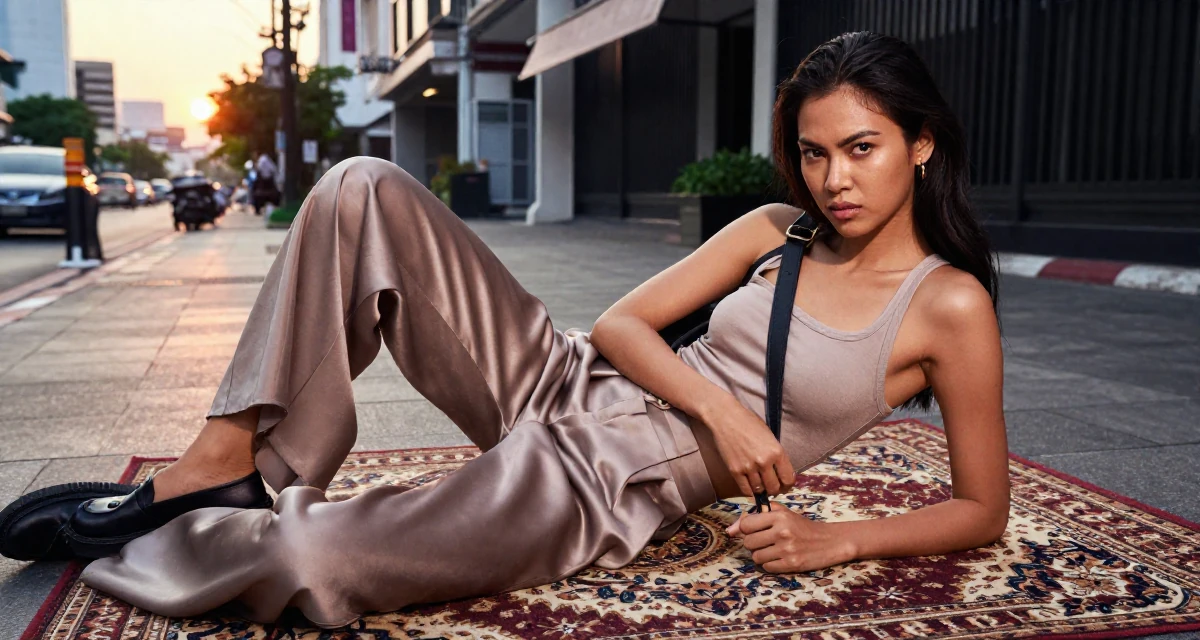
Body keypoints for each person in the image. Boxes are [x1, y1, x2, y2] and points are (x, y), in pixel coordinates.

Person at [0, 32, 1009, 628]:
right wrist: (728, 413)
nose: (834, 178)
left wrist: (839, 537)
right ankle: (222, 462)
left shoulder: (948, 305)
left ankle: (193, 531)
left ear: (921, 143)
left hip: (613, 478)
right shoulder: (773, 228)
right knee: (359, 187)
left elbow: (982, 507)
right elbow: (621, 325)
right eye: (815, 151)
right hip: (566, 378)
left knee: (318, 565)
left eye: (862, 148)